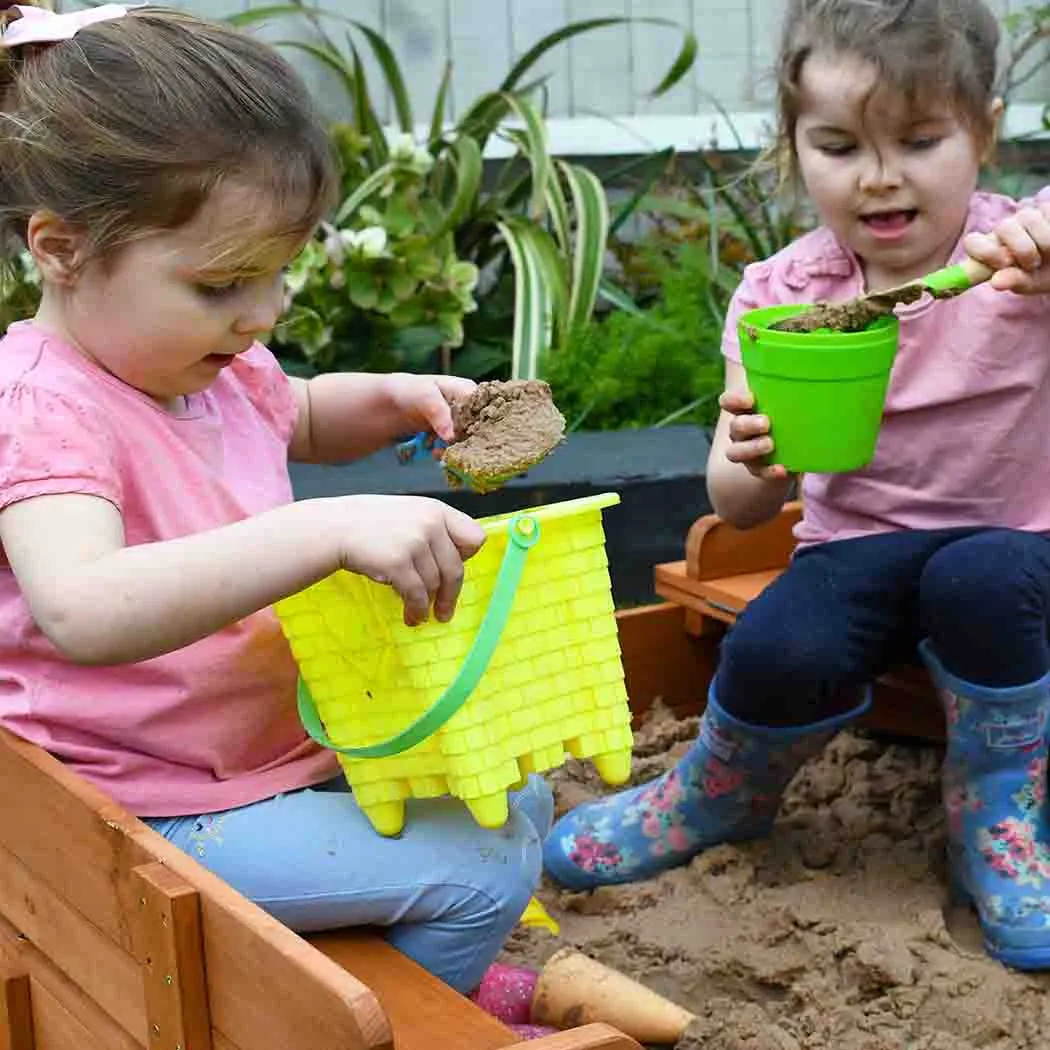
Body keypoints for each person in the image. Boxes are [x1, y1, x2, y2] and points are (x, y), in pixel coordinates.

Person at [0, 3, 553, 994]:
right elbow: (79, 606)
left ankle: (415, 979)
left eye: (280, 273)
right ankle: (410, 1011)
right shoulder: (46, 405)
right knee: (483, 864)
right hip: (135, 804)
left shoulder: (207, 360)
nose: (260, 314)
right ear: (62, 248)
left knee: (522, 789)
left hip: (261, 748)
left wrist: (388, 401)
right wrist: (320, 528)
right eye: (223, 283)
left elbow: (290, 413)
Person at [543, 0, 1050, 970]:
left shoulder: (1020, 264)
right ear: (794, 146)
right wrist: (751, 457)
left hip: (1018, 552)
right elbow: (734, 509)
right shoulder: (784, 297)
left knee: (980, 579)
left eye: (919, 138)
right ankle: (722, 792)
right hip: (855, 545)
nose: (879, 174)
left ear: (983, 131)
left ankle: (999, 813)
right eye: (838, 144)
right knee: (780, 646)